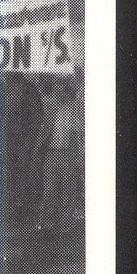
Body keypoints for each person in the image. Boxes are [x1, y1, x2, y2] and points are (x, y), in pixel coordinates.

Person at [36, 78, 84, 235]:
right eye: (56, 90)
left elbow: (77, 133)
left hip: (67, 153)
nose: (56, 93)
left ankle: (65, 224)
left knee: (67, 189)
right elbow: (44, 130)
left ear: (66, 93)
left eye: (59, 91)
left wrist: (77, 154)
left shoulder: (74, 111)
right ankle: (46, 223)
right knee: (49, 189)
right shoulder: (52, 109)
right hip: (51, 152)